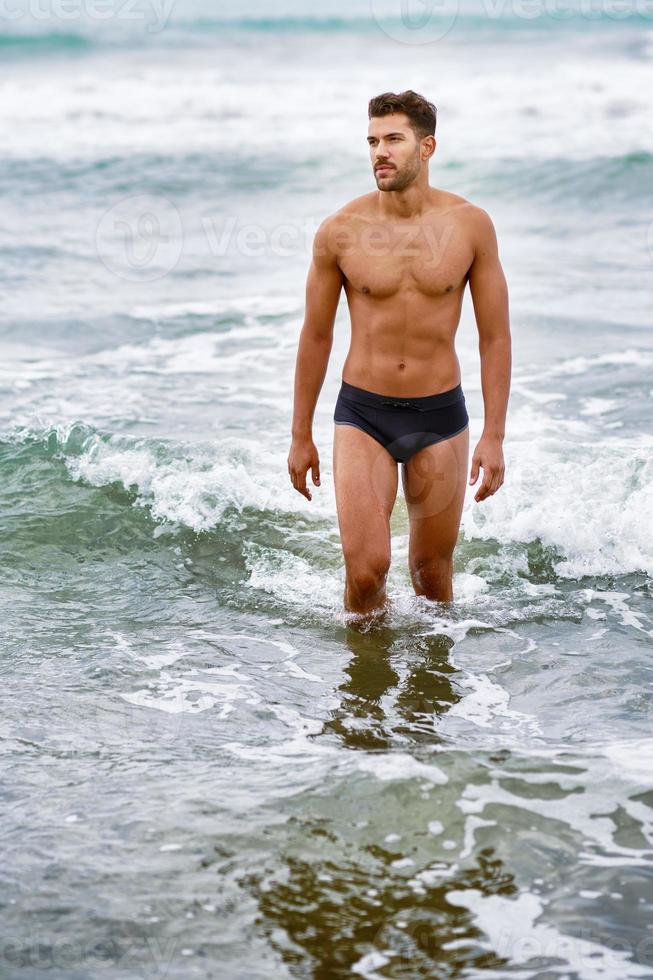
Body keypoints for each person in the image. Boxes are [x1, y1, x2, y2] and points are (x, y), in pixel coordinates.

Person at [287, 89, 511, 621]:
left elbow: (494, 336)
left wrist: (494, 435)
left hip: (440, 414)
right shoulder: (340, 232)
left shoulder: (469, 226)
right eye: (371, 141)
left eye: (393, 140)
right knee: (365, 572)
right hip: (364, 412)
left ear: (426, 147)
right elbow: (315, 336)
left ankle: (431, 694)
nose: (378, 153)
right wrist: (300, 434)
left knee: (431, 576)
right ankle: (364, 685)